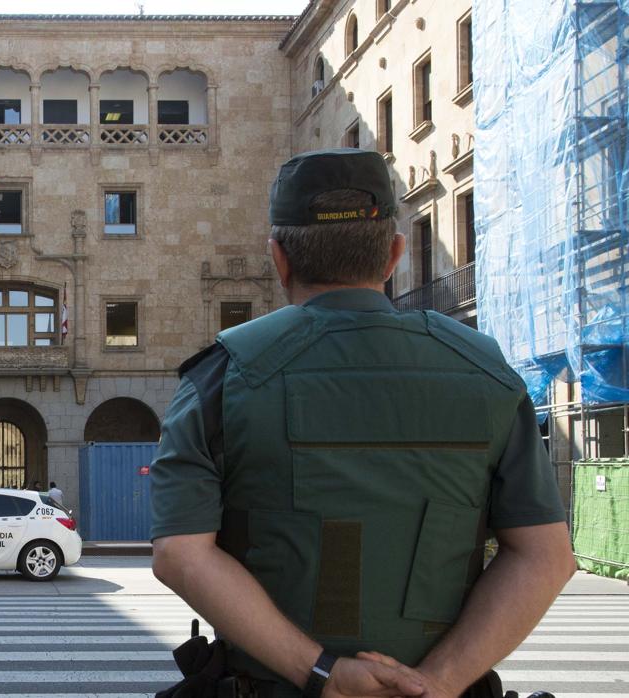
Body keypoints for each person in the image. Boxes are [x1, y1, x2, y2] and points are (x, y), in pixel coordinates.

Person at [149, 148, 575, 698]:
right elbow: (545, 556)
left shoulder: (220, 379)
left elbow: (180, 554)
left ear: (279, 258)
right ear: (395, 253)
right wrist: (437, 683)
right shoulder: (486, 373)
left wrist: (322, 671)